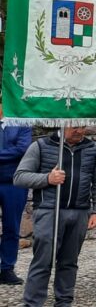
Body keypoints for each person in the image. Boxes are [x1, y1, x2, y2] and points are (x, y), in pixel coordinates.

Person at [15, 126, 96, 307]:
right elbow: (19, 177)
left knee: (69, 262)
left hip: (80, 212)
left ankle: (63, 304)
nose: (80, 130)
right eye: (75, 126)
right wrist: (47, 178)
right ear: (62, 124)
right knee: (43, 261)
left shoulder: (92, 148)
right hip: (49, 211)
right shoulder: (41, 146)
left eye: (83, 126)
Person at [0, 104, 33, 285]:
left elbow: (22, 149)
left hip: (14, 184)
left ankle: (6, 269)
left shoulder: (22, 123)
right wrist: (8, 153)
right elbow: (14, 151)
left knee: (11, 227)